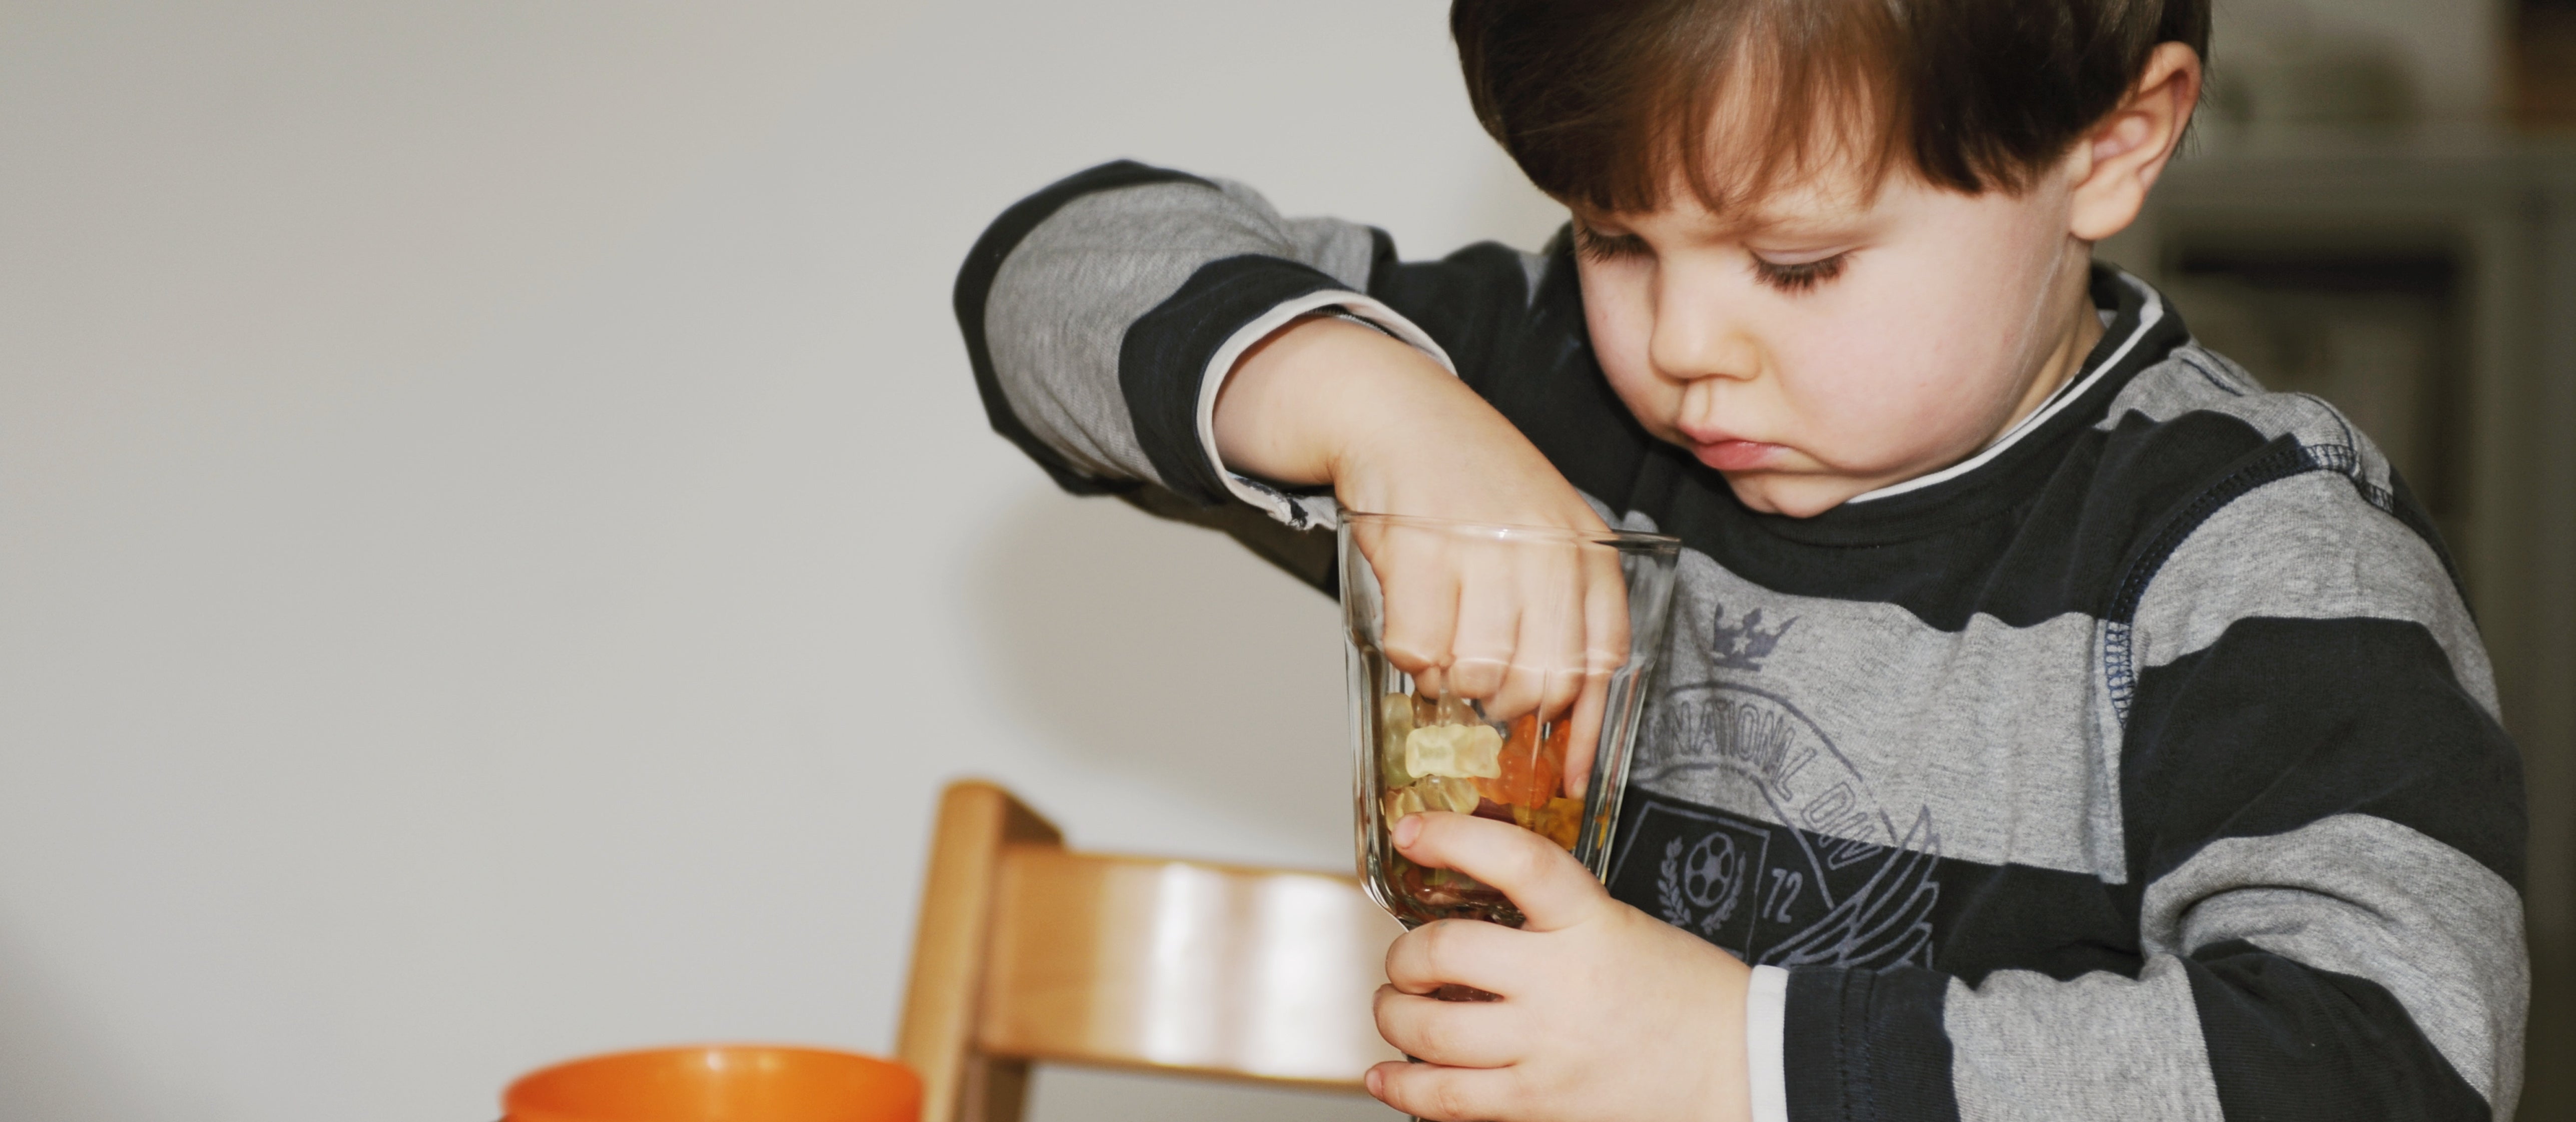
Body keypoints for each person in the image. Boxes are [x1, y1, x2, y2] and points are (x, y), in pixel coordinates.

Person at [952, 1, 2528, 1118]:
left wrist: (1741, 1059)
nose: (1685, 343)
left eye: (1797, 262)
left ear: (2109, 147)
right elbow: (1050, 275)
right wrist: (1379, 411)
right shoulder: (1543, 396)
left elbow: (2385, 1062)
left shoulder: (2251, 561)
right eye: (1614, 235)